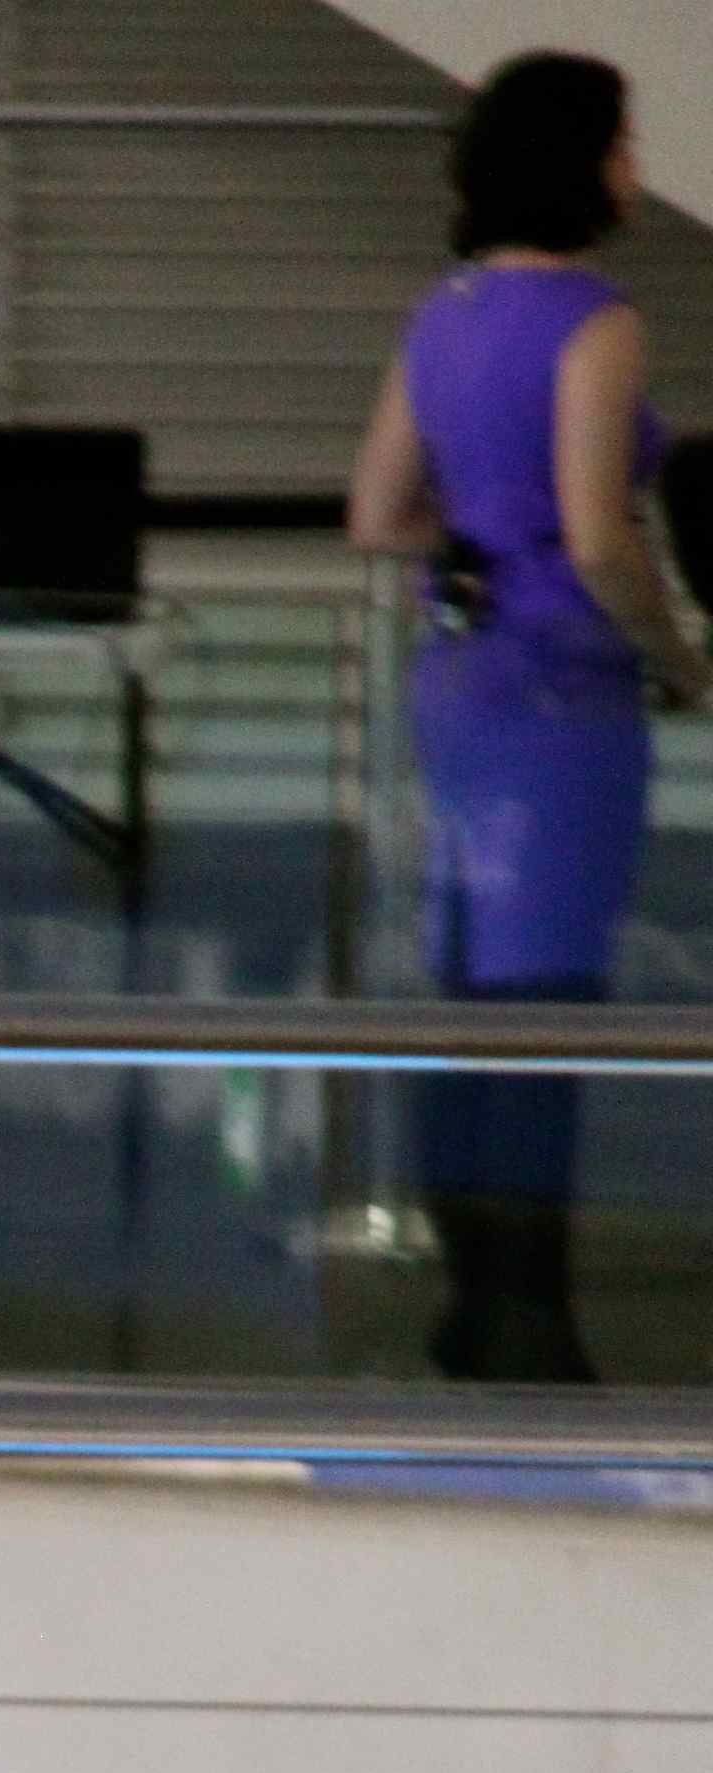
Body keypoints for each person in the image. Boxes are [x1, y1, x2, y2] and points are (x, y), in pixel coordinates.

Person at [347, 50, 711, 1385]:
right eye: (622, 145)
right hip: (563, 696)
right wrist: (682, 660)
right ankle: (533, 1323)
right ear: (579, 163)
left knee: (473, 998)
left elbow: (375, 515)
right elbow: (605, 537)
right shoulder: (596, 324)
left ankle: (475, 1303)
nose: (635, 170)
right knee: (548, 1006)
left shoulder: (443, 313)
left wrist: (478, 546)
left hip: (458, 684)